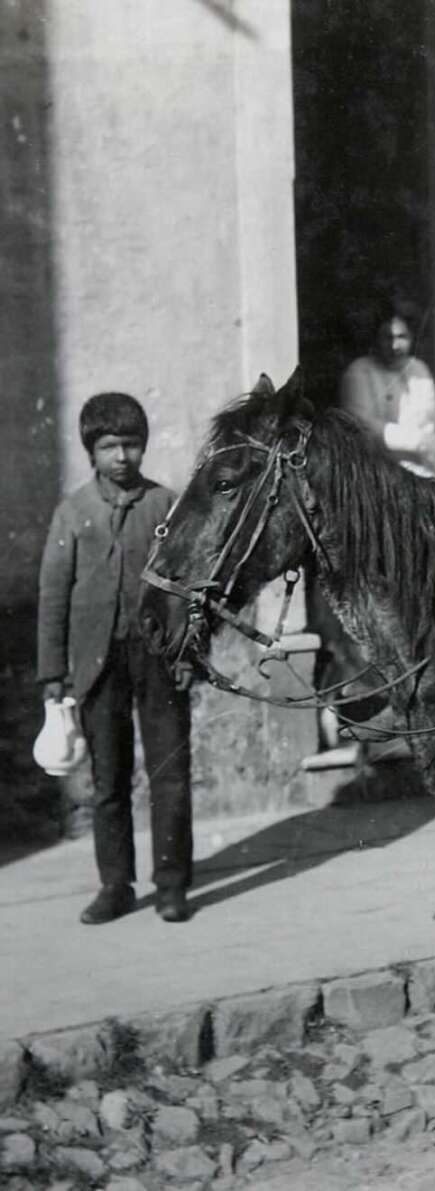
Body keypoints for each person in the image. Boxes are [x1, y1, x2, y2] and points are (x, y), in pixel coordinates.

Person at [37, 392, 194, 923]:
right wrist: (53, 673)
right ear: (91, 451)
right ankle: (115, 885)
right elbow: (53, 595)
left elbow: (189, 588)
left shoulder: (167, 506)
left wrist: (188, 653)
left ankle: (172, 885)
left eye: (132, 445)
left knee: (170, 776)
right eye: (110, 446)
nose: (122, 457)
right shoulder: (73, 513)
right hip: (97, 664)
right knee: (110, 783)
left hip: (159, 659)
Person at [339, 295, 435, 484]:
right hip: (385, 476)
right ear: (375, 340)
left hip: (429, 473)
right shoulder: (359, 371)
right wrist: (425, 442)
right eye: (387, 338)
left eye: (402, 337)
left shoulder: (418, 368)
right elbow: (366, 426)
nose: (395, 346)